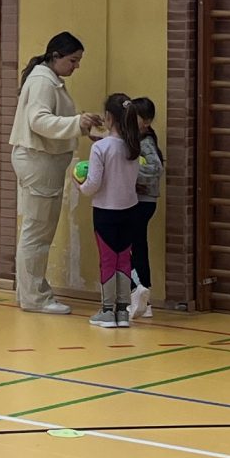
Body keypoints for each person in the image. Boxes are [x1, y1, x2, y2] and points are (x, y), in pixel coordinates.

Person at [9, 32, 95, 315]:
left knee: (36, 231)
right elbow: (39, 121)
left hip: (41, 161)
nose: (76, 66)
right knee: (37, 233)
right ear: (56, 56)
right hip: (39, 162)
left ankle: (28, 293)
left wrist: (80, 125)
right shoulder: (43, 82)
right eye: (73, 60)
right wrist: (76, 123)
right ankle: (36, 298)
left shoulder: (47, 78)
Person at [78, 92, 163, 327]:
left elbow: (93, 184)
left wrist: (80, 186)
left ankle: (107, 311)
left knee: (108, 260)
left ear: (108, 117)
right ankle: (123, 312)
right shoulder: (133, 146)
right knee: (124, 260)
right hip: (130, 210)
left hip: (106, 212)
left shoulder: (101, 148)